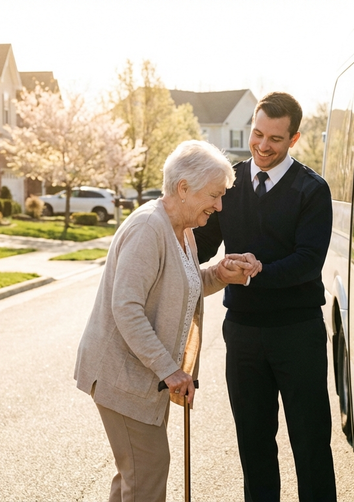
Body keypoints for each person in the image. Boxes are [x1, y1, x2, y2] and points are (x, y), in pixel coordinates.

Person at [74, 140, 259, 502]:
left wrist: (221, 273)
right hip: (122, 377)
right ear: (183, 188)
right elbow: (126, 307)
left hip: (143, 380)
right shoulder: (149, 229)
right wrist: (169, 370)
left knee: (136, 478)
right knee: (148, 473)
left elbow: (184, 285)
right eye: (214, 195)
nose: (219, 206)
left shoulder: (182, 230)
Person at [194, 92, 336, 501]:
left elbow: (308, 262)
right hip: (242, 335)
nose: (262, 145)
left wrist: (257, 272)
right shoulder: (228, 184)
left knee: (310, 446)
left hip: (298, 334)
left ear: (293, 139)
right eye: (258, 133)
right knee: (254, 447)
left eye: (275, 138)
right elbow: (200, 244)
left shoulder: (312, 190)